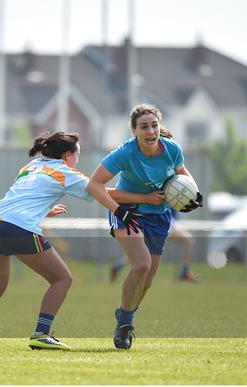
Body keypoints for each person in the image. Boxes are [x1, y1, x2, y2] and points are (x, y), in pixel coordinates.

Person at [0, 131, 134, 352]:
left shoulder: (32, 165)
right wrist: (144, 197)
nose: (77, 159)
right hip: (17, 226)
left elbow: (22, 198)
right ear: (68, 155)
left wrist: (44, 212)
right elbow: (100, 191)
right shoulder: (66, 172)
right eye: (77, 154)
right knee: (62, 279)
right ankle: (41, 334)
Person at [87, 104, 203, 350]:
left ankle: (124, 314)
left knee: (147, 280)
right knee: (142, 265)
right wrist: (133, 203)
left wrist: (192, 192)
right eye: (144, 127)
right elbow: (95, 185)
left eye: (154, 125)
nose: (150, 131)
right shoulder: (124, 153)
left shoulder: (171, 149)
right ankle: (125, 328)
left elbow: (182, 172)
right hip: (128, 211)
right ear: (134, 131)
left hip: (158, 216)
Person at [109, 208, 199, 283]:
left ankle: (119, 265)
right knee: (189, 241)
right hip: (166, 219)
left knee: (144, 250)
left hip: (168, 220)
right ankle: (184, 271)